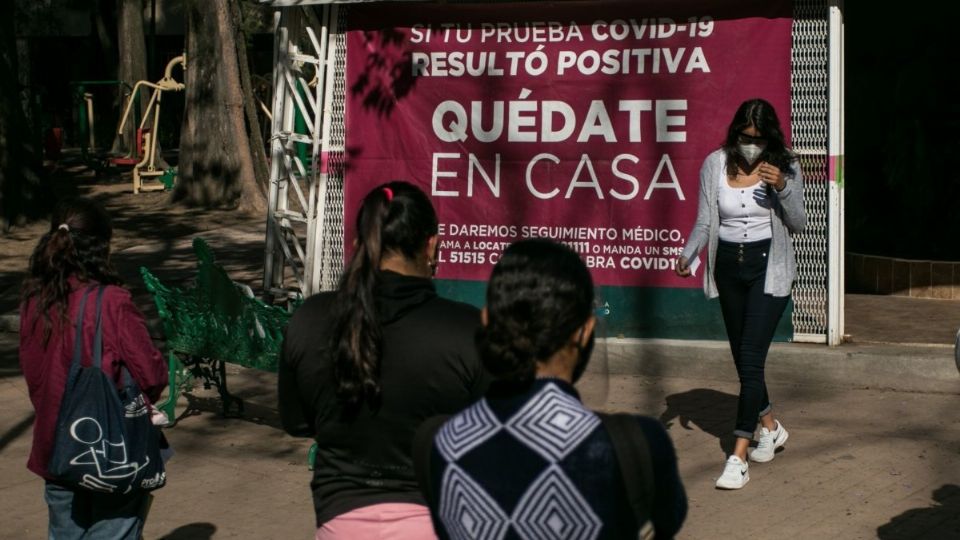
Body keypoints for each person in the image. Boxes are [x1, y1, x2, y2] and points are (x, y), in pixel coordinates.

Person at [416, 239, 688, 539]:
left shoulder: (436, 444)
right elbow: (666, 522)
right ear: (584, 332)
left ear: (486, 321)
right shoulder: (638, 445)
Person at [278, 180, 489, 539]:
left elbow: (297, 423)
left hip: (339, 523)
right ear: (432, 245)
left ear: (359, 245)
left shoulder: (310, 318)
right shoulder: (470, 330)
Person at [675, 98, 807, 490]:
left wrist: (782, 186)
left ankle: (738, 454)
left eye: (758, 138)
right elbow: (704, 221)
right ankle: (771, 427)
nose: (751, 145)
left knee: (751, 357)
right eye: (744, 137)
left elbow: (798, 222)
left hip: (768, 268)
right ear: (735, 134)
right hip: (728, 268)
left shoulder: (785, 164)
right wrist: (687, 254)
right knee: (743, 358)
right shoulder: (715, 164)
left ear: (770, 138)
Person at [19, 198, 168, 539]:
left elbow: (34, 373)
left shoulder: (34, 298)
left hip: (55, 447)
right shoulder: (112, 301)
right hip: (111, 453)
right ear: (101, 247)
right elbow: (152, 374)